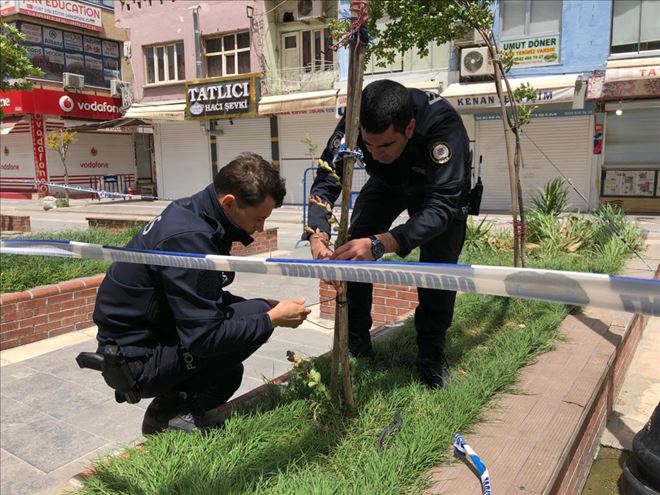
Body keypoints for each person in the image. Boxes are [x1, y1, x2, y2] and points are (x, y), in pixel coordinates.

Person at [93, 153, 311, 434]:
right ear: (229, 203)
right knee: (255, 319)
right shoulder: (190, 238)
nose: (260, 229)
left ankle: (181, 408)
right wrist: (272, 319)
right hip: (135, 359)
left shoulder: (195, 212)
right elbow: (204, 339)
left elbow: (198, 297)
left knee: (231, 367)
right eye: (259, 218)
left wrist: (267, 309)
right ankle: (165, 417)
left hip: (148, 334)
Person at [305, 79, 471, 389]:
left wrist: (383, 243)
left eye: (384, 145)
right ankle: (356, 346)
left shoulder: (443, 127)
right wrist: (318, 234)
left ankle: (431, 359)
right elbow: (327, 179)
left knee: (438, 272)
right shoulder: (355, 119)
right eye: (367, 145)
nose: (374, 154)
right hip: (387, 184)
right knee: (354, 251)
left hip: (439, 196)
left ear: (409, 128)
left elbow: (442, 207)